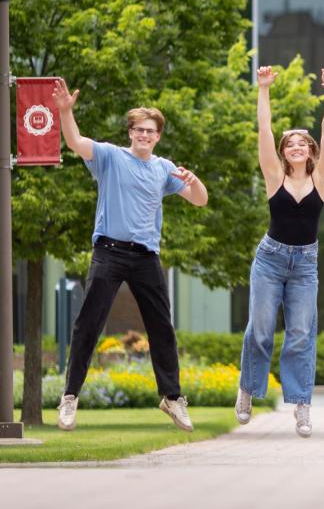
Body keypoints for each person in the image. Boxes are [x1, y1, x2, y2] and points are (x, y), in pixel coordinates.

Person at [51, 80, 209, 432]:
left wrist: (194, 181)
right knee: (88, 325)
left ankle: (171, 398)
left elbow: (200, 200)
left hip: (146, 257)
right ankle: (70, 397)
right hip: (108, 251)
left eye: (150, 131)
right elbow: (75, 142)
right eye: (139, 129)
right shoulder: (110, 156)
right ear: (131, 132)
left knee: (162, 328)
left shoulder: (164, 168)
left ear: (157, 136)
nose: (144, 135)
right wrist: (65, 112)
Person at [235, 66, 324, 437]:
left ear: (309, 151)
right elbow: (264, 130)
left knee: (300, 332)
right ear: (283, 152)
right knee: (261, 330)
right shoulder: (274, 177)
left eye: (301, 143)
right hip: (270, 260)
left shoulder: (322, 177)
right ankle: (248, 389)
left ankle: (301, 405)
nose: (296, 147)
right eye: (289, 144)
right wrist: (263, 89)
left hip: (305, 264)